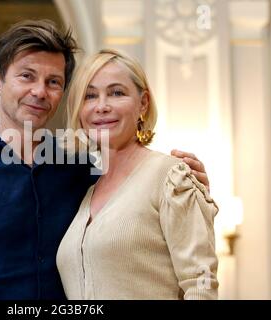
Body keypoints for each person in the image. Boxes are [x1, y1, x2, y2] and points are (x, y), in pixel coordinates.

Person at [0, 20, 211, 300]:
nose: (39, 91)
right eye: (26, 76)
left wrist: (191, 192)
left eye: (53, 82)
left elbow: (149, 224)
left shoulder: (82, 169)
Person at [56, 49, 219, 300]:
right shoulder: (88, 190)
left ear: (143, 103)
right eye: (90, 96)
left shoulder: (171, 176)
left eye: (116, 93)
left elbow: (201, 285)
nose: (101, 106)